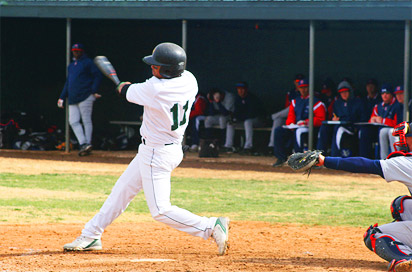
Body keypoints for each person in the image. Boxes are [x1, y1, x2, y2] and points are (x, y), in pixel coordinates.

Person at [62, 42, 230, 255]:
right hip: (167, 148)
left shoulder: (155, 89)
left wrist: (122, 86)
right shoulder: (189, 79)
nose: (152, 67)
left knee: (160, 210)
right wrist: (127, 87)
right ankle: (91, 234)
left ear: (168, 70)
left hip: (156, 153)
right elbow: (135, 90)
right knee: (120, 193)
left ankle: (211, 225)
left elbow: (126, 91)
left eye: (156, 65)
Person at [315, 121, 412, 272]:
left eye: (408, 137)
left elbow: (365, 164)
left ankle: (407, 260)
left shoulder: (407, 163)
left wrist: (325, 161)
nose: (403, 140)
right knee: (400, 205)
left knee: (374, 235)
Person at [57, 43, 103, 156]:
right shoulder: (72, 65)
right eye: (74, 51)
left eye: (78, 51)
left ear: (82, 51)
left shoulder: (88, 62)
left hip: (86, 95)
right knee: (73, 121)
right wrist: (62, 97)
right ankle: (83, 143)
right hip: (73, 97)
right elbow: (68, 82)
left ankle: (87, 143)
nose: (76, 52)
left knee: (86, 120)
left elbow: (98, 76)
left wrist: (93, 91)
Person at [272, 79, 326, 167]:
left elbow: (320, 119)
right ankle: (281, 158)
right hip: (296, 126)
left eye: (305, 87)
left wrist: (306, 122)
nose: (303, 90)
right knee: (279, 130)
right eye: (301, 88)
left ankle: (299, 159)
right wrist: (291, 124)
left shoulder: (316, 102)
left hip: (310, 128)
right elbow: (290, 117)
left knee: (299, 131)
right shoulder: (295, 101)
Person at [317, 81, 364, 157]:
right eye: (342, 92)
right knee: (324, 128)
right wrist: (334, 119)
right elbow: (334, 115)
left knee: (339, 129)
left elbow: (359, 118)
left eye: (346, 92)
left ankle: (334, 156)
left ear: (350, 91)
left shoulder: (357, 102)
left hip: (351, 127)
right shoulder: (337, 103)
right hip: (338, 125)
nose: (344, 94)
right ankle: (319, 156)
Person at [359, 84, 401, 159]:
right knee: (364, 132)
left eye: (387, 93)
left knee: (386, 132)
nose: (384, 96)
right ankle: (370, 159)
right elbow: (372, 119)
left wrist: (383, 120)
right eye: (383, 94)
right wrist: (373, 119)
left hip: (393, 130)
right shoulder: (378, 106)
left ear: (391, 95)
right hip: (378, 130)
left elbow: (397, 123)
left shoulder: (397, 105)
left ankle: (394, 159)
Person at [226, 81, 265, 154]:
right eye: (238, 89)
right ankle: (229, 146)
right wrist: (234, 119)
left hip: (258, 120)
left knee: (248, 122)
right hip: (244, 121)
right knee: (230, 124)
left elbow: (251, 114)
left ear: (246, 89)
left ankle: (248, 147)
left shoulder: (252, 98)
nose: (240, 91)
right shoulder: (237, 99)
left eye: (242, 89)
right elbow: (237, 113)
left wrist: (239, 118)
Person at [267, 74, 304, 150]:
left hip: (302, 120)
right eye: (297, 81)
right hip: (291, 118)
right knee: (278, 120)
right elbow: (288, 108)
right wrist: (290, 122)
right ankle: (271, 145)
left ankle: (271, 117)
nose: (299, 83)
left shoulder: (311, 95)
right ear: (294, 82)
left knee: (288, 110)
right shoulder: (291, 93)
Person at [204, 88, 236, 152]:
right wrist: (211, 102)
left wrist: (218, 102)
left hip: (231, 116)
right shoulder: (214, 98)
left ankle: (222, 142)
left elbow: (225, 113)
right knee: (208, 120)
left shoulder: (229, 97)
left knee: (222, 119)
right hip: (220, 115)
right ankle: (209, 142)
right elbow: (211, 113)